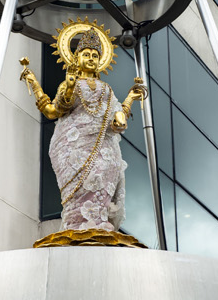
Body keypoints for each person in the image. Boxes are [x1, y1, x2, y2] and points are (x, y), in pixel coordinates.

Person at [20, 21, 146, 234]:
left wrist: (130, 101)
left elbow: (117, 117)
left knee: (102, 179)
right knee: (79, 186)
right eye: (86, 54)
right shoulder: (71, 84)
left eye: (95, 56)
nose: (90, 59)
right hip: (73, 145)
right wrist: (46, 84)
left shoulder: (106, 89)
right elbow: (53, 111)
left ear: (100, 62)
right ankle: (78, 224)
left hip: (103, 147)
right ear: (76, 58)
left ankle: (98, 223)